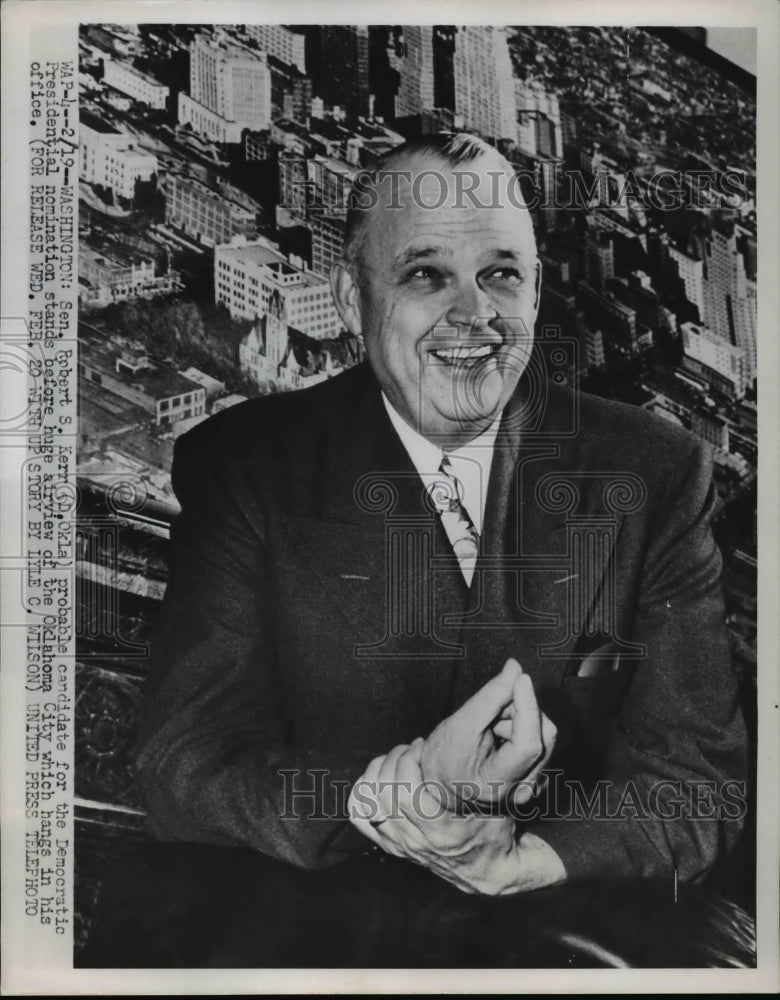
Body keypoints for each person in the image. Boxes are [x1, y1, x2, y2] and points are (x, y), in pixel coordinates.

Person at [136, 134, 747, 905]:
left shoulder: (654, 469)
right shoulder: (248, 465)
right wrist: (386, 797)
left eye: (501, 274)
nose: (475, 314)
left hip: (549, 936)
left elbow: (695, 785)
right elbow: (185, 762)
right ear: (354, 301)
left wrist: (527, 859)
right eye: (427, 274)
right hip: (316, 933)